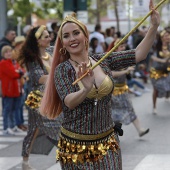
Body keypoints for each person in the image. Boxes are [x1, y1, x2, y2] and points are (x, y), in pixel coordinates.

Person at [40, 1, 159, 169]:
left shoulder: (103, 60)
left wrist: (153, 27)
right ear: (63, 43)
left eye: (76, 33)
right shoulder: (62, 70)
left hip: (108, 142)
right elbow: (69, 101)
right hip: (76, 148)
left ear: (85, 36)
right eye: (66, 36)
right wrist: (86, 89)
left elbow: (138, 54)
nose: (72, 39)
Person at [18, 25, 63, 170]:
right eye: (46, 36)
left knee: (38, 130)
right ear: (38, 41)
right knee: (41, 130)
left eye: (49, 35)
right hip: (38, 101)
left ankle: (63, 158)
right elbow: (40, 78)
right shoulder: (33, 58)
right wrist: (59, 77)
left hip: (52, 98)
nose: (50, 38)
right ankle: (26, 161)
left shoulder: (50, 52)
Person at [108, 39, 149, 137]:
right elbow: (111, 74)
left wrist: (138, 69)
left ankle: (140, 130)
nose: (123, 48)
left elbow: (130, 72)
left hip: (123, 90)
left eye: (124, 46)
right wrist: (125, 71)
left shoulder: (124, 59)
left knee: (129, 109)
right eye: (121, 46)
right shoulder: (111, 59)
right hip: (113, 91)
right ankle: (112, 134)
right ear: (116, 48)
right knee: (114, 114)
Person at [0, 45, 23, 135]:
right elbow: (14, 74)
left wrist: (19, 72)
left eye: (10, 51)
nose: (9, 53)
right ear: (3, 54)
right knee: (7, 110)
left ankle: (13, 126)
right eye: (6, 52)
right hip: (8, 90)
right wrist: (18, 72)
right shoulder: (3, 63)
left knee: (14, 109)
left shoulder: (13, 62)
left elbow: (21, 70)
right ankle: (6, 127)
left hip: (16, 89)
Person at [150, 29, 170, 114]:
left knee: (168, 87)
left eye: (168, 35)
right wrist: (162, 61)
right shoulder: (156, 46)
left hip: (167, 71)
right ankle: (154, 107)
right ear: (162, 38)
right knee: (156, 90)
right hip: (156, 72)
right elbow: (152, 57)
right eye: (166, 36)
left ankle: (167, 96)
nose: (168, 37)